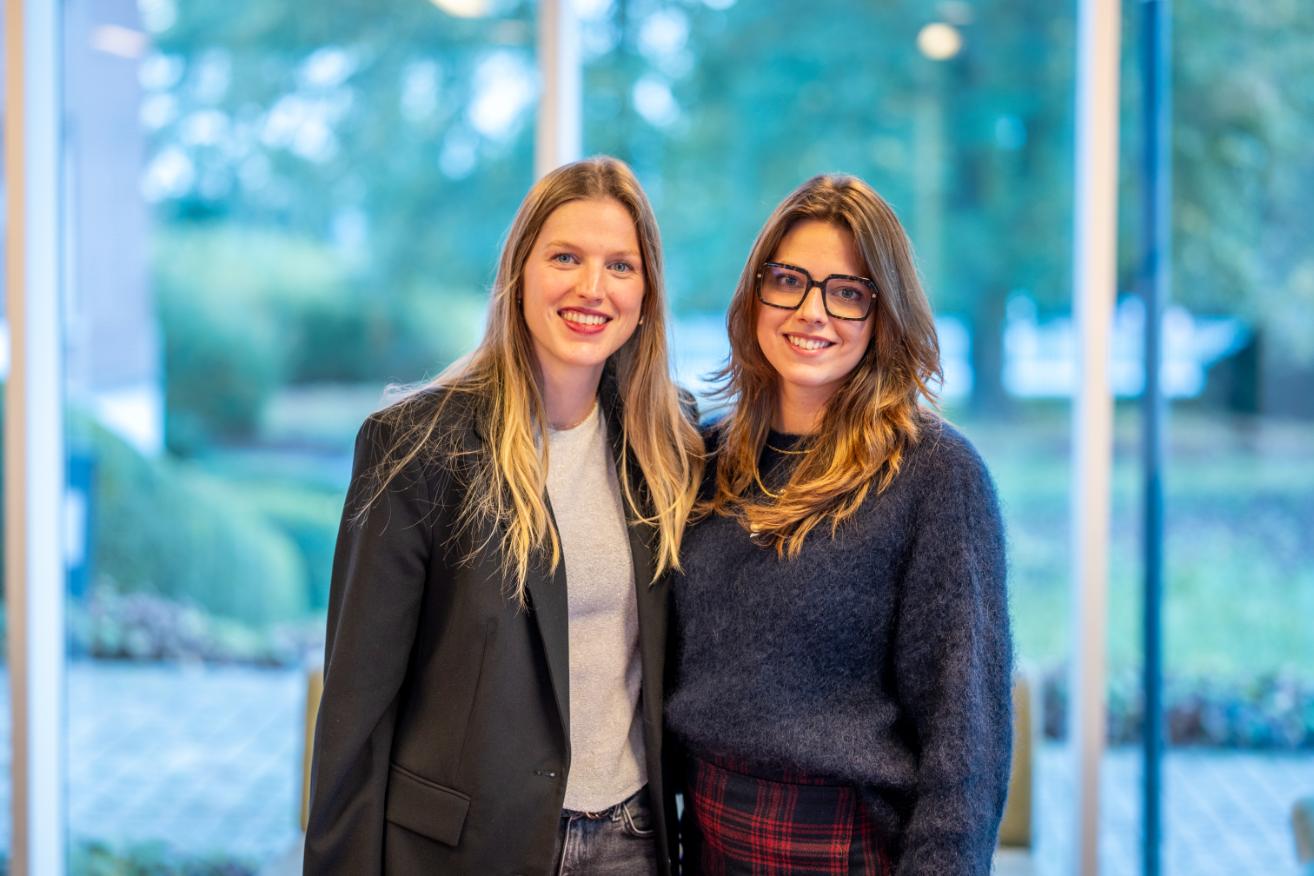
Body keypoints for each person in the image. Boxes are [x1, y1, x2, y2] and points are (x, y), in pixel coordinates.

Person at [304, 156, 703, 875]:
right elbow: (356, 714)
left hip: (632, 843)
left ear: (646, 295)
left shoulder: (668, 440)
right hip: (466, 852)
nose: (592, 287)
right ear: (519, 273)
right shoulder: (416, 446)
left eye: (620, 265)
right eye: (565, 257)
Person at [666, 174, 1012, 875]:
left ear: (885, 313)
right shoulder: (704, 458)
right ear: (755, 292)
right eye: (789, 281)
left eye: (848, 293)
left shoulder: (935, 474)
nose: (811, 312)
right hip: (703, 842)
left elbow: (965, 737)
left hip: (847, 849)